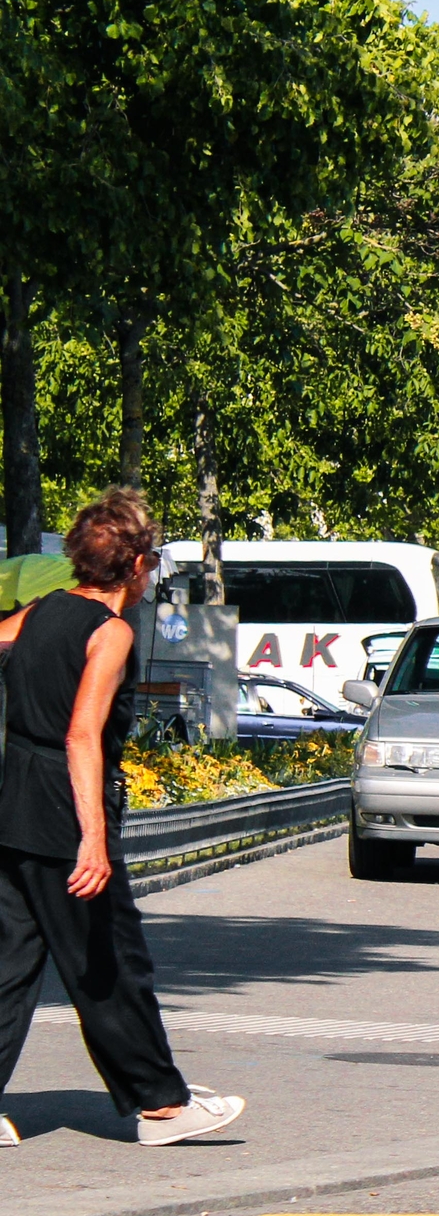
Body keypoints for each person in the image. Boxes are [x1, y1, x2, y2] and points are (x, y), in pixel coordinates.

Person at [0, 488, 245, 1147]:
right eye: (153, 556)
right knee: (108, 959)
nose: (155, 567)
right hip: (63, 807)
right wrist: (94, 839)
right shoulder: (110, 633)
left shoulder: (40, 611)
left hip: (14, 800)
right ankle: (160, 1103)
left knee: (12, 961)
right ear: (135, 562)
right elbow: (82, 736)